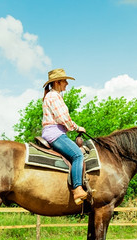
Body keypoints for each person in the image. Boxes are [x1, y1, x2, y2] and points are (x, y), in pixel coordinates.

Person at [42, 68, 87, 203]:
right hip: (55, 133)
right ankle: (78, 189)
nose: (67, 83)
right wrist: (77, 127)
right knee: (77, 155)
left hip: (54, 132)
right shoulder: (53, 96)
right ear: (57, 82)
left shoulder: (53, 96)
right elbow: (63, 118)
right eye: (65, 81)